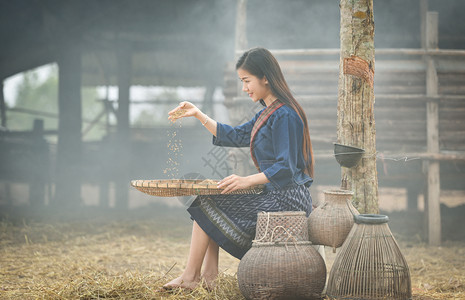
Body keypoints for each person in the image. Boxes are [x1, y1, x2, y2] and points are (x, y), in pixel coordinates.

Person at [164, 47, 314, 290]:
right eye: (242, 81)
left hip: (288, 198)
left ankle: (191, 277)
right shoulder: (267, 113)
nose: (245, 88)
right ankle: (209, 277)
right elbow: (233, 135)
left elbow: (286, 167)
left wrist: (247, 181)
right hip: (274, 193)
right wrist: (199, 115)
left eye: (247, 81)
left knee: (207, 201)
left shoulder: (285, 115)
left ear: (265, 77)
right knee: (210, 198)